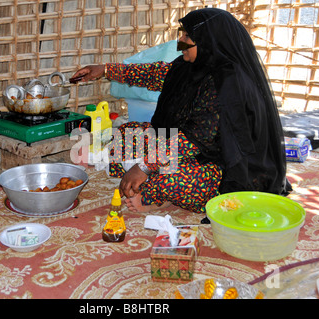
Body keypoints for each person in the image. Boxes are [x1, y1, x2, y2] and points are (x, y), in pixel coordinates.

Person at [71, 8, 291, 214]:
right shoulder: (191, 66)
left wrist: (144, 167)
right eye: (182, 35)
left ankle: (158, 195)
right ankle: (151, 181)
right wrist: (105, 70)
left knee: (170, 177)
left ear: (208, 42)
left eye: (187, 37)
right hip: (185, 148)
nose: (180, 42)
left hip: (221, 165)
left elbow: (194, 140)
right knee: (124, 136)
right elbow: (154, 74)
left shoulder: (228, 85)